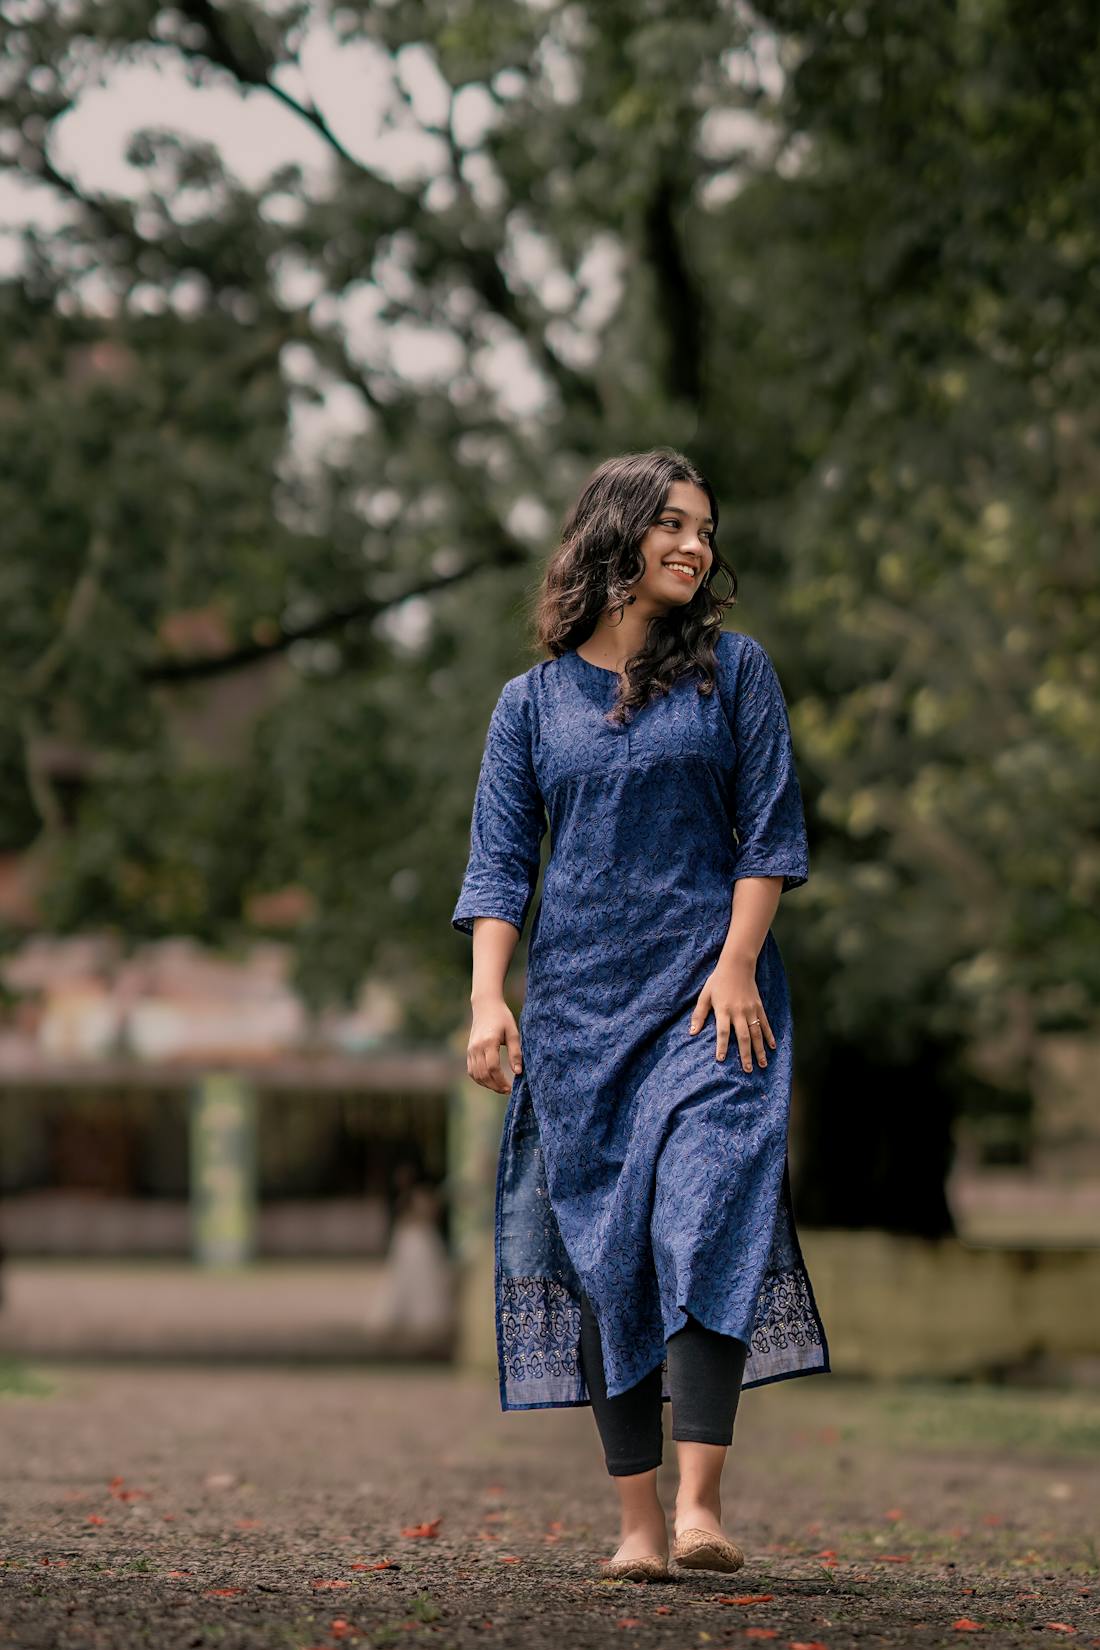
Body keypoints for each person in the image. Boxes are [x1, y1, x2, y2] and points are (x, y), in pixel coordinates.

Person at [451, 448, 830, 1582]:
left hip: (718, 1005)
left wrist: (733, 968)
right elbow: (496, 868)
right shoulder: (527, 706)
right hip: (577, 1019)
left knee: (704, 1210)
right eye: (671, 524)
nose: (695, 546)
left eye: (705, 530)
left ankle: (703, 1505)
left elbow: (768, 835)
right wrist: (487, 1001)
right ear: (613, 536)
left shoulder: (733, 673)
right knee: (604, 1251)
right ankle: (635, 1525)